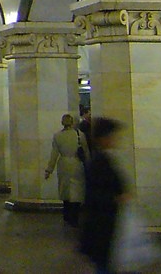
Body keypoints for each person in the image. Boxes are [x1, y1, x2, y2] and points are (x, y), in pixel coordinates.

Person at [80, 118, 127, 274]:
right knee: (104, 266)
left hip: (104, 226)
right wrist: (116, 198)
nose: (115, 139)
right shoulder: (99, 161)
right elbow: (94, 195)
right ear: (103, 138)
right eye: (112, 136)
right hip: (101, 226)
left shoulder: (103, 158)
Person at [44, 113, 88, 227]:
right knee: (77, 190)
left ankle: (67, 214)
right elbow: (86, 152)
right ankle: (75, 217)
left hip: (63, 164)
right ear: (72, 122)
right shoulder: (80, 134)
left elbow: (54, 155)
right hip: (77, 163)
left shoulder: (57, 136)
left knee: (65, 189)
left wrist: (49, 170)